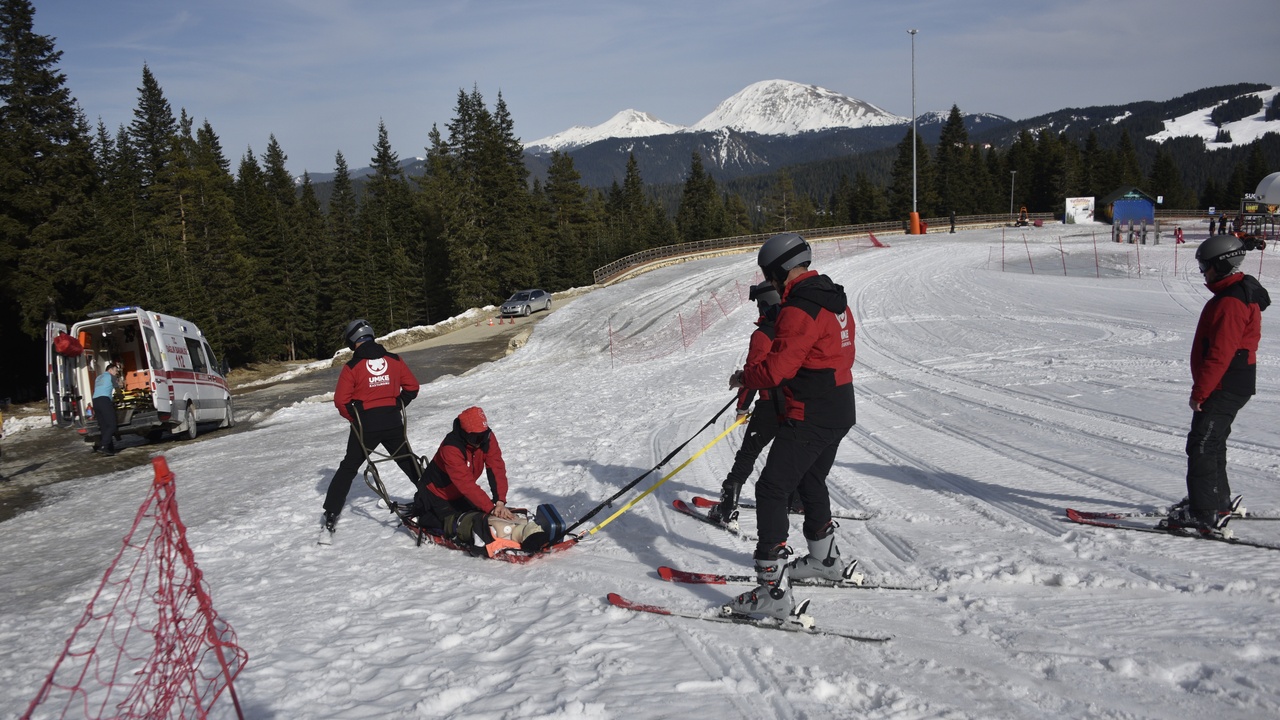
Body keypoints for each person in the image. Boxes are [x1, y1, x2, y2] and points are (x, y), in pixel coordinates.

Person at [725, 232, 857, 620]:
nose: (769, 281)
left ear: (778, 270)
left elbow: (778, 369)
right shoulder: (833, 300)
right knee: (810, 481)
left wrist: (745, 377)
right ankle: (824, 560)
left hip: (810, 412)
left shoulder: (799, 309)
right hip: (839, 407)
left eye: (769, 274)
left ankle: (772, 591)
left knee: (771, 488)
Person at [1163, 235, 1269, 535]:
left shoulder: (1231, 302)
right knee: (1212, 442)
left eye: (1205, 266)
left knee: (1201, 445)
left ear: (1221, 265)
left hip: (1223, 384)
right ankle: (1216, 500)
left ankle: (1203, 513)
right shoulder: (1234, 292)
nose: (1202, 272)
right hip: (1233, 382)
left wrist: (1201, 392)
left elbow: (1221, 352)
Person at [322, 319, 422, 536]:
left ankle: (331, 512)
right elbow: (412, 387)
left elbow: (341, 401)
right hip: (393, 422)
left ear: (351, 341)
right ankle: (436, 494)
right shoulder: (394, 360)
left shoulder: (352, 367)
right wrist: (397, 403)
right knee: (407, 460)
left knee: (349, 468)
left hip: (365, 427)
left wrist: (355, 418)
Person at [709, 282, 796, 525]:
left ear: (765, 305)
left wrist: (742, 409)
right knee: (792, 456)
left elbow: (754, 376)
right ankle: (798, 499)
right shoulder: (794, 328)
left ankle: (727, 507)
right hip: (795, 405)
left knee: (747, 454)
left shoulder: (763, 335)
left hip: (771, 408)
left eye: (759, 305)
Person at [410, 406, 549, 553]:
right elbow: (466, 484)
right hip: (437, 493)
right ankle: (422, 515)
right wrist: (491, 507)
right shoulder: (451, 448)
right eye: (476, 438)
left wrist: (500, 501)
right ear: (464, 434)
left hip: (459, 492)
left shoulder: (486, 438)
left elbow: (496, 467)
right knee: (452, 524)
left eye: (483, 436)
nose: (480, 441)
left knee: (484, 517)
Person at [91, 362, 122, 456]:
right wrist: (121, 397)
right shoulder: (111, 377)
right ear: (110, 370)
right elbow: (117, 389)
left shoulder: (98, 377)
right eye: (116, 371)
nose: (116, 373)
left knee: (104, 426)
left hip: (95, 401)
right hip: (104, 401)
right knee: (112, 424)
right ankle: (104, 446)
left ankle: (108, 448)